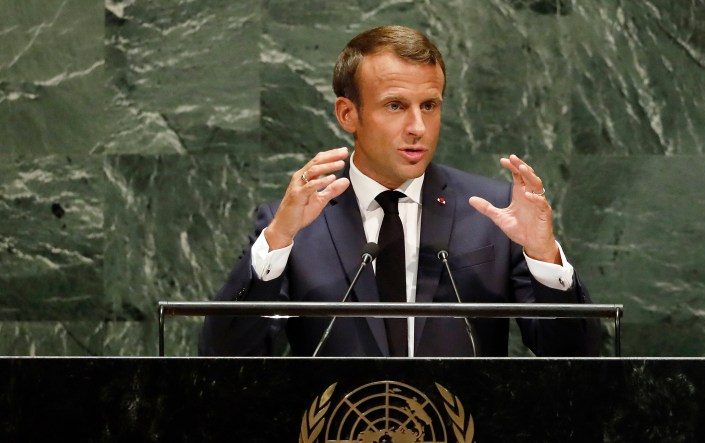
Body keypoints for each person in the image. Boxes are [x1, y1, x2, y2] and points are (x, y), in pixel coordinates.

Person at [199, 25, 600, 357]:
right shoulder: (294, 223)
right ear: (347, 114)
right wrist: (278, 243)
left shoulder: (493, 214)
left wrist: (544, 258)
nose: (418, 128)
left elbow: (576, 360)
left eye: (429, 105)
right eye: (395, 106)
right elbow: (223, 358)